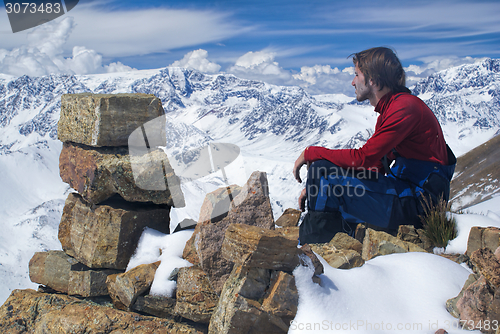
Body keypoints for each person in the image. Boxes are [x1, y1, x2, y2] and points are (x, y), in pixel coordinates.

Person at [293, 47, 456, 245]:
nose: (353, 82)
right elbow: (375, 167)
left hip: (419, 203)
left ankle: (312, 253)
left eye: (356, 75)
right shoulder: (392, 110)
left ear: (373, 80)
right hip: (406, 194)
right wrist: (314, 187)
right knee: (323, 175)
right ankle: (334, 241)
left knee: (324, 173)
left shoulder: (404, 108)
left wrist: (311, 153)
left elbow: (364, 158)